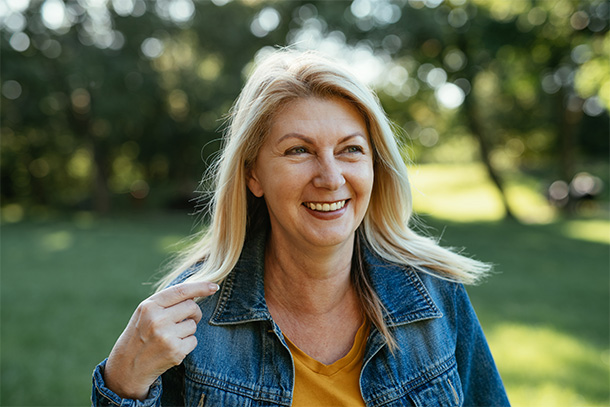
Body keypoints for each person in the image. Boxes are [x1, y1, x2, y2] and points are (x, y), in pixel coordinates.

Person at [92, 50, 510, 406]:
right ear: (253, 174)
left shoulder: (437, 298)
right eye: (298, 150)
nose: (330, 177)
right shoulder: (189, 325)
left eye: (350, 149)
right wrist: (123, 383)